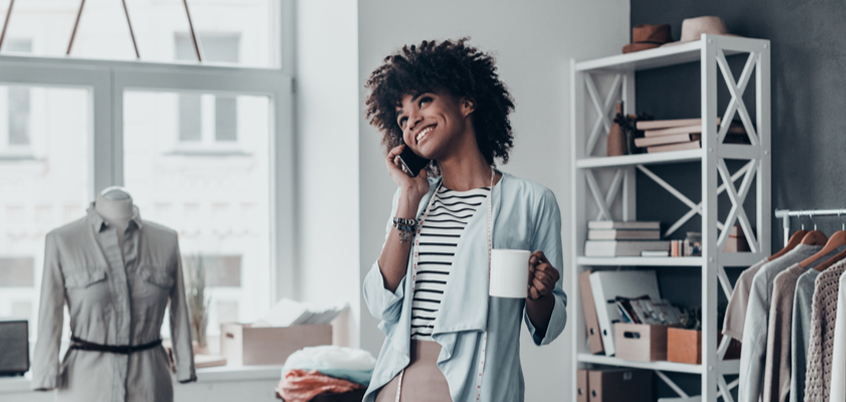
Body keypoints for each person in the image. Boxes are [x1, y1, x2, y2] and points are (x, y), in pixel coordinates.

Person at [361, 38, 567, 402]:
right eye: (402, 118)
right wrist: (408, 197)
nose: (412, 121)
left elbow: (549, 326)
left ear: (467, 101)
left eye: (424, 101)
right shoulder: (413, 200)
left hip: (478, 390)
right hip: (395, 390)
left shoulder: (531, 201)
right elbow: (380, 302)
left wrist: (540, 293)